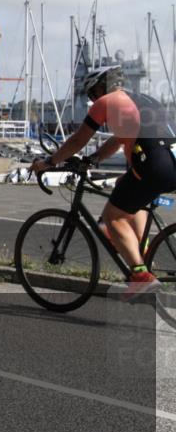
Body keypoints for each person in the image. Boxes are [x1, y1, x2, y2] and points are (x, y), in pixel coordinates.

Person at [30, 66, 173, 300]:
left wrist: (49, 162)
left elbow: (77, 141)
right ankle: (144, 253)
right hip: (170, 162)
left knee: (112, 217)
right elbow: (118, 140)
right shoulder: (142, 99)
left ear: (101, 87)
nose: (93, 98)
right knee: (125, 189)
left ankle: (141, 276)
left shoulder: (106, 102)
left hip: (153, 166)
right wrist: (92, 159)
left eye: (92, 93)